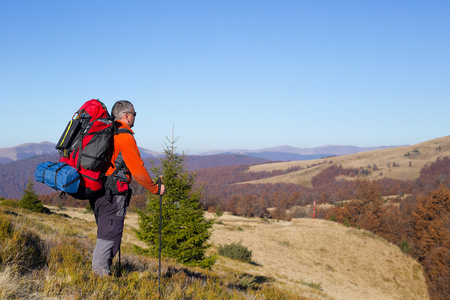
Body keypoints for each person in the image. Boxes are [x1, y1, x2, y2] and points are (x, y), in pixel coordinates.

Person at [89, 100, 165, 276]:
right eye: (134, 114)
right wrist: (155, 189)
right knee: (109, 237)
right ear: (127, 115)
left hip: (98, 190)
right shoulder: (124, 137)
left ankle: (101, 274)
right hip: (113, 193)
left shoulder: (107, 132)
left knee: (106, 233)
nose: (134, 117)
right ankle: (99, 280)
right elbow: (138, 170)